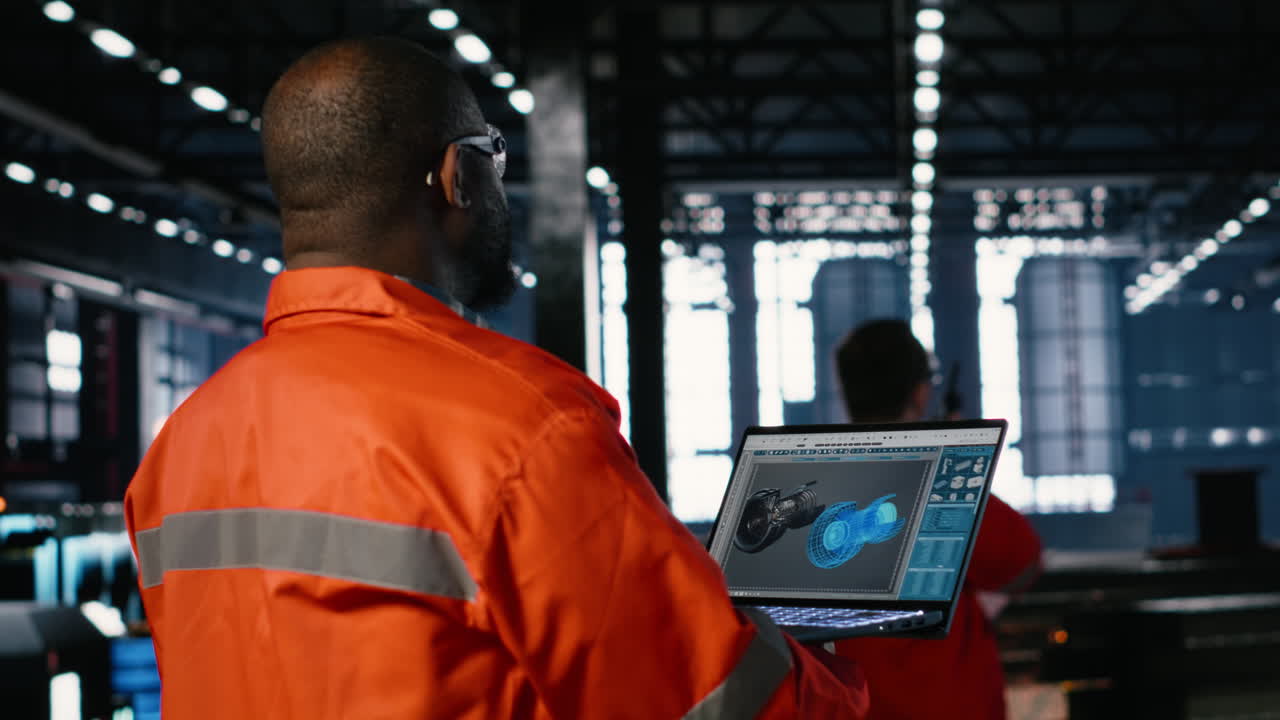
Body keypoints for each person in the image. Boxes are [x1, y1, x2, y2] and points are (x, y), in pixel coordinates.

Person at [124, 37, 869, 719]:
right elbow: (716, 702)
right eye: (492, 154)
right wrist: (836, 672)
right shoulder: (525, 427)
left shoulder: (180, 445)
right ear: (455, 176)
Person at [833, 319, 1041, 720]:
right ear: (921, 391)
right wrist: (958, 467)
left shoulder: (818, 479)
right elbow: (1021, 565)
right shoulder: (940, 480)